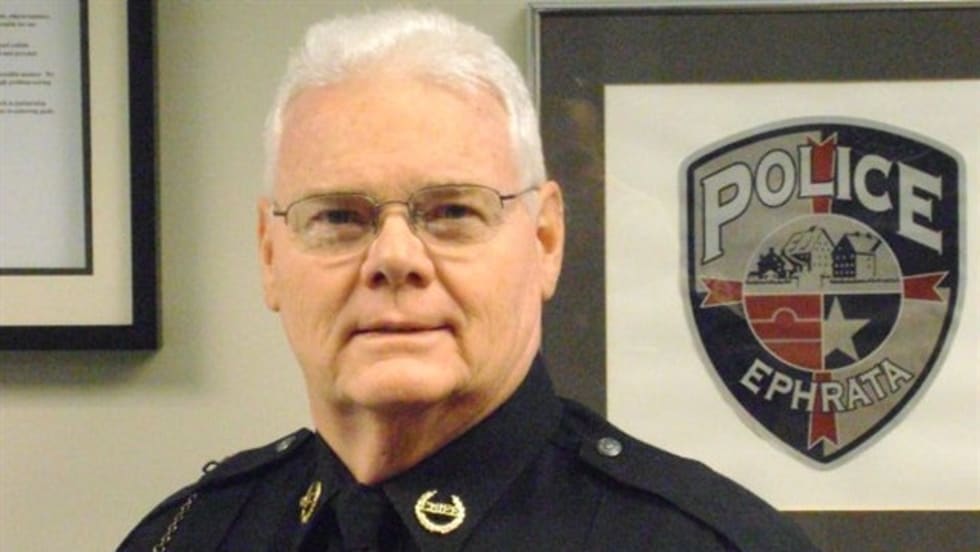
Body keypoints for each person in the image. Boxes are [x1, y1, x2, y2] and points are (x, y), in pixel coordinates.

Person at [119, 9, 818, 552]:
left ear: (544, 240)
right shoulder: (188, 537)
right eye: (338, 217)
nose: (395, 257)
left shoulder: (706, 543)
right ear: (270, 256)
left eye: (452, 211)